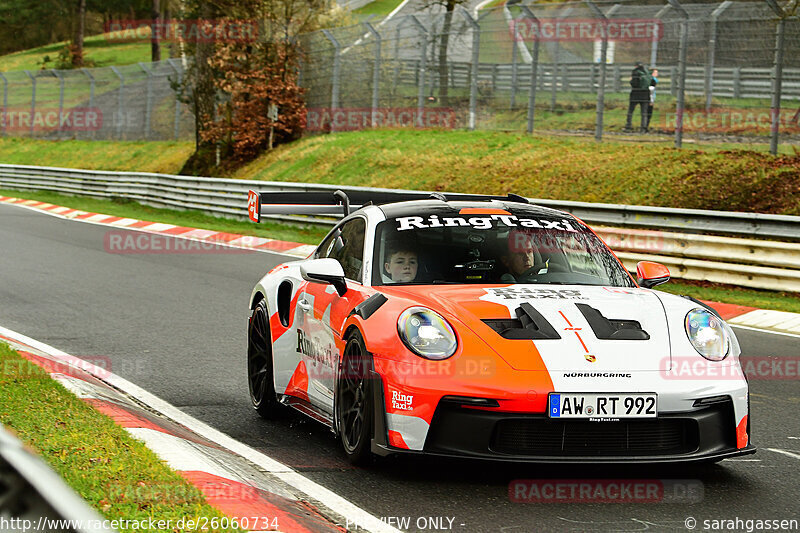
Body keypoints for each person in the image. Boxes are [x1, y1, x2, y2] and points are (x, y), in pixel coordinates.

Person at [624, 62, 651, 133]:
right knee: (644, 112)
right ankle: (643, 128)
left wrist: (630, 81)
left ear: (636, 66)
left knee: (630, 111)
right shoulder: (647, 72)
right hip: (646, 95)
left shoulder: (635, 72)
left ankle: (628, 126)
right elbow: (652, 82)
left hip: (635, 94)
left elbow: (634, 83)